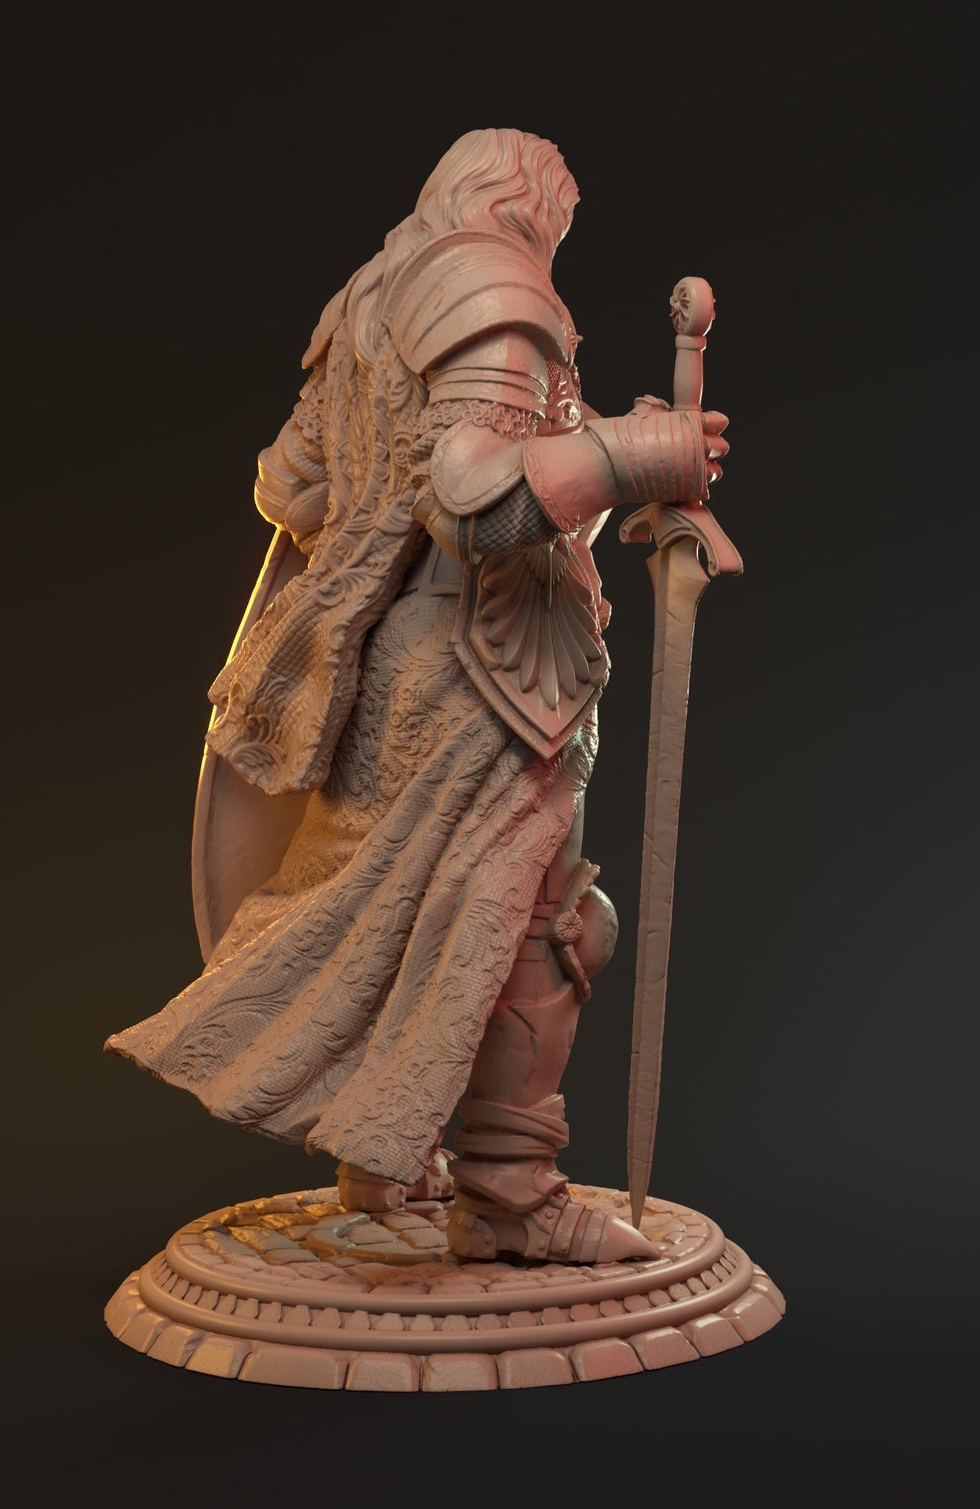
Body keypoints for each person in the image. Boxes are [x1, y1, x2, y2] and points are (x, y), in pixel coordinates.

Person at [105, 127, 729, 1263]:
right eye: (557, 221)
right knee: (536, 924)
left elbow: (292, 488)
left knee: (406, 916)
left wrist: (605, 450)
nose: (553, 243)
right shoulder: (497, 288)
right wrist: (633, 455)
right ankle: (512, 1197)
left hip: (392, 662)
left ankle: (381, 1155)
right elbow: (472, 502)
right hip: (488, 674)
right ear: (527, 204)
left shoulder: (370, 298)